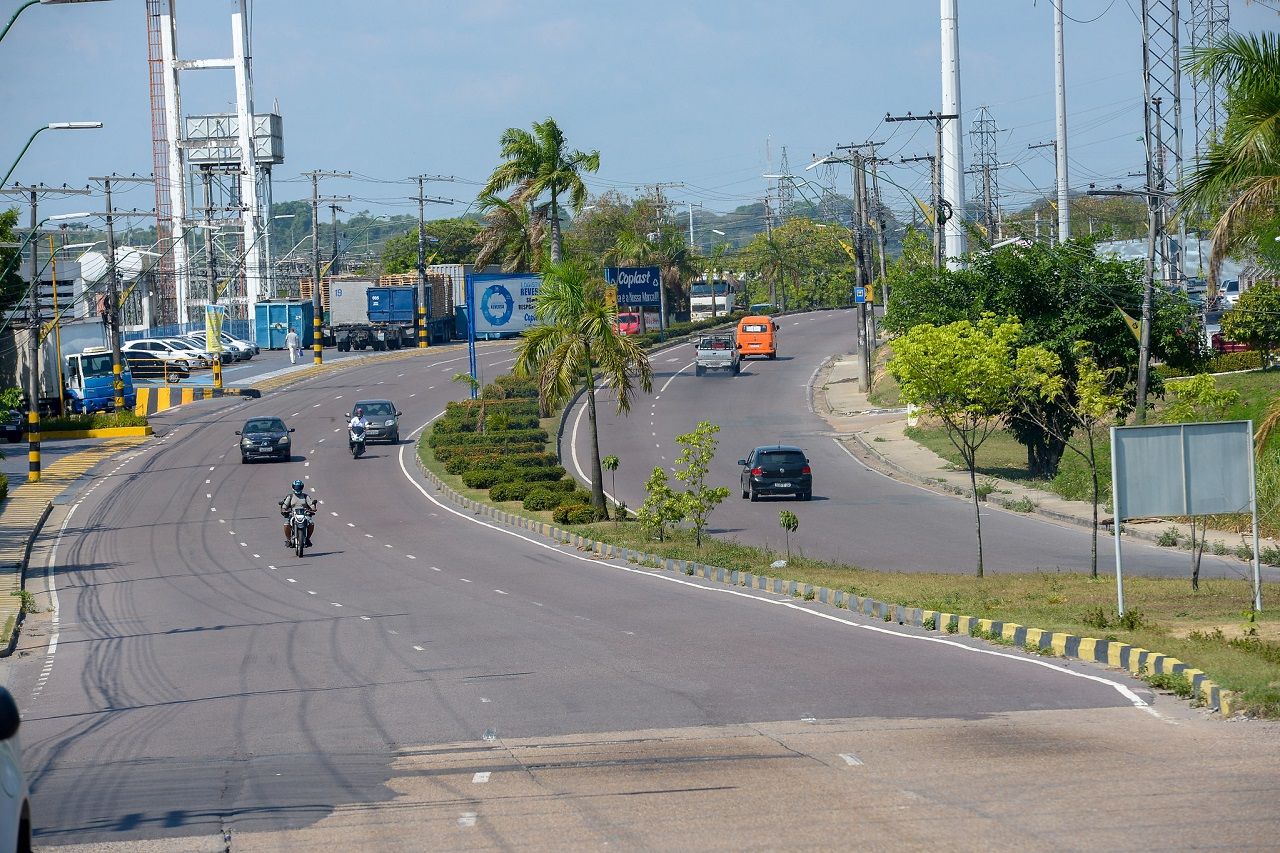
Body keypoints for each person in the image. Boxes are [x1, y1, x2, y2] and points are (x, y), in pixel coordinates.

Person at [278, 479, 316, 547]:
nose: (297, 489)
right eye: (296, 487)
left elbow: (311, 504)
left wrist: (313, 509)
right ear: (293, 487)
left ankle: (307, 539)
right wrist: (284, 510)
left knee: (311, 523)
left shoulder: (305, 496)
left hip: (304, 514)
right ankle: (289, 540)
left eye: (299, 487)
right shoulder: (290, 496)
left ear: (302, 487)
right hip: (293, 515)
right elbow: (284, 506)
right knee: (286, 524)